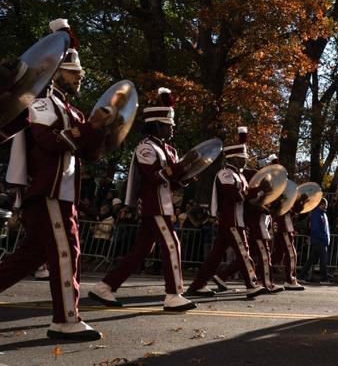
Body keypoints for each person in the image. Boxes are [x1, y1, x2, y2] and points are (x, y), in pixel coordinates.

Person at [0, 19, 109, 340]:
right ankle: (65, 319)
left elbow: (87, 150)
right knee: (67, 252)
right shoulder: (43, 102)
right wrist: (89, 129)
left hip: (61, 193)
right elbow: (50, 141)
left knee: (28, 258)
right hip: (49, 192)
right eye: (75, 71)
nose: (81, 76)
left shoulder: (71, 110)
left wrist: (102, 129)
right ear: (59, 70)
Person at [89, 88, 196, 312]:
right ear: (157, 125)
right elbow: (154, 177)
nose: (173, 128)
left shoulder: (168, 149)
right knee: (172, 245)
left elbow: (171, 181)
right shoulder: (146, 148)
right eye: (169, 125)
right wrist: (180, 166)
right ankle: (173, 293)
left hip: (163, 206)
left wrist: (186, 174)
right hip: (154, 206)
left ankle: (105, 286)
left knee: (140, 252)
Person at [185, 127, 268, 299]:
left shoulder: (239, 175)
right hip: (232, 221)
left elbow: (244, 196)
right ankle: (251, 285)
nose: (245, 162)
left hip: (234, 221)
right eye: (242, 159)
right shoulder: (225, 173)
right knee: (244, 252)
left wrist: (258, 192)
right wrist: (257, 190)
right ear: (234, 158)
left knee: (215, 257)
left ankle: (198, 284)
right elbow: (235, 195)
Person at [300, 198, 331, 282]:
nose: (326, 206)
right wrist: (323, 239)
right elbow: (316, 228)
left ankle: (301, 276)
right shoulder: (317, 213)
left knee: (311, 260)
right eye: (326, 204)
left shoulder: (320, 213)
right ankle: (324, 279)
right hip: (320, 241)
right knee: (323, 261)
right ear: (322, 204)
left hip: (319, 241)